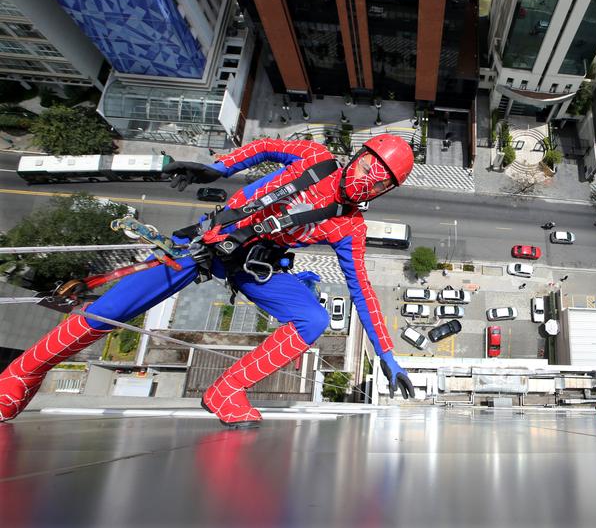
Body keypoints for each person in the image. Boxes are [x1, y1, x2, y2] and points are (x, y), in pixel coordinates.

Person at [0, 135, 416, 428]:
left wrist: (387, 355)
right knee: (110, 310)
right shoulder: (313, 157)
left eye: (380, 180)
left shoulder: (349, 227)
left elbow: (361, 289)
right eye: (368, 165)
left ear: (383, 191)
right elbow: (264, 147)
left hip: (255, 268)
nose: (368, 178)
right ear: (357, 155)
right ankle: (20, 376)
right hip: (208, 243)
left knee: (311, 319)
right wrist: (216, 169)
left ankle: (226, 391)